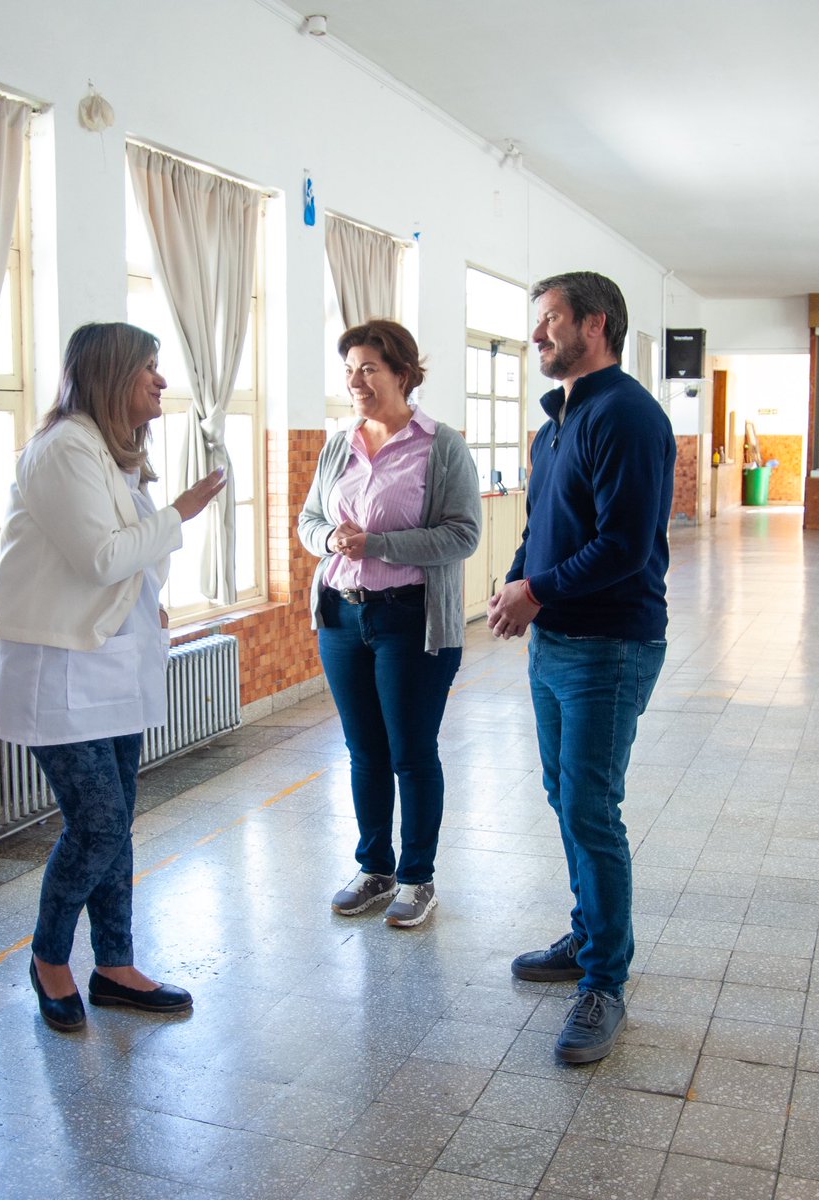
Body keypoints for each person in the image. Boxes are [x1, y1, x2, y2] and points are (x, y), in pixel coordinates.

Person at [0, 322, 225, 1032]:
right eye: (148, 368)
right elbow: (98, 557)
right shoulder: (61, 449)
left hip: (112, 666)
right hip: (57, 671)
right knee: (96, 824)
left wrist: (152, 596)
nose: (160, 381)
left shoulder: (113, 455)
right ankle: (49, 959)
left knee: (115, 825)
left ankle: (115, 964)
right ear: (110, 375)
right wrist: (181, 513)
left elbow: (125, 560)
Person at [488, 272, 675, 1063]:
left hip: (610, 643)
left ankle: (604, 981)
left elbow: (623, 547)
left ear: (594, 324)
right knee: (565, 795)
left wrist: (536, 589)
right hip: (556, 641)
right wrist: (515, 576)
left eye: (549, 321)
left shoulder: (626, 415)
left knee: (591, 809)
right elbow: (545, 526)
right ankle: (586, 935)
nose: (537, 335)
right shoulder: (555, 423)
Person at [299, 319, 481, 928]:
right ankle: (374, 867)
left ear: (403, 373)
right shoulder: (338, 444)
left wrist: (377, 543)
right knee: (363, 751)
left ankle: (417, 876)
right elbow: (308, 523)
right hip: (342, 618)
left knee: (410, 751)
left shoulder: (441, 445)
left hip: (411, 621)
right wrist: (332, 537)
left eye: (368, 368)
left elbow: (462, 534)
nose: (355, 380)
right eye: (349, 369)